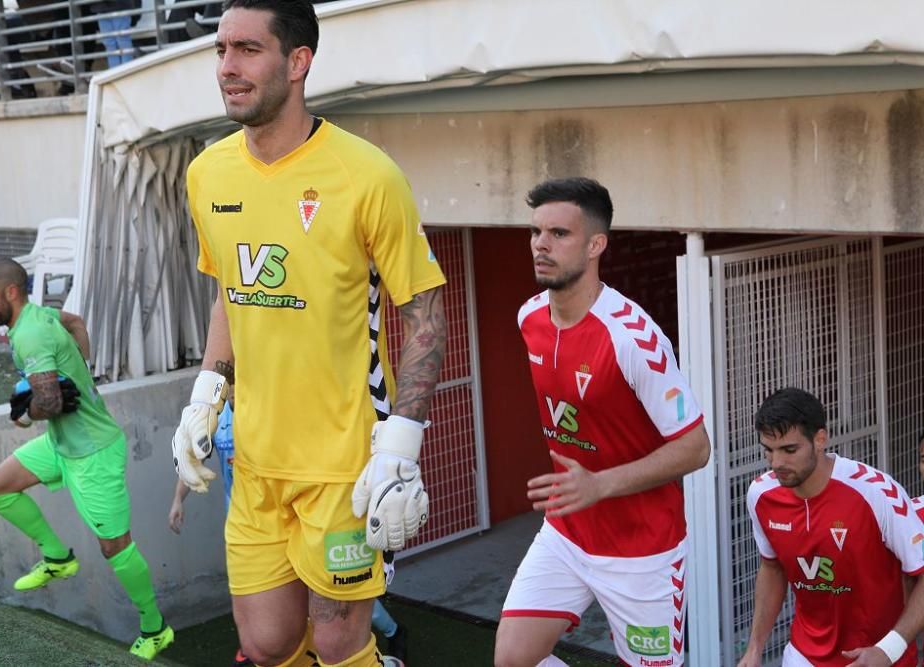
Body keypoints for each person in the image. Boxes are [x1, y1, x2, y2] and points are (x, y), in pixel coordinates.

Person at [171, 2, 447, 666]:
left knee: (337, 640)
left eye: (247, 50)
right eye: (220, 51)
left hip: (343, 469)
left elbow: (428, 313)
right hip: (256, 465)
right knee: (265, 644)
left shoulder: (367, 174)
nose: (227, 68)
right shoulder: (207, 174)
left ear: (298, 62)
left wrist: (400, 446)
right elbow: (229, 294)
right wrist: (204, 398)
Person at [496, 177, 711, 667]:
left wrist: (600, 484)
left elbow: (696, 447)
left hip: (644, 553)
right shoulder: (528, 317)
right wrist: (583, 493)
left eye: (558, 234)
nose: (540, 245)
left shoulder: (633, 337)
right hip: (567, 533)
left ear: (596, 245)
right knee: (512, 659)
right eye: (535, 232)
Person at [0, 258, 174, 661]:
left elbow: (48, 400)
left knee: (115, 547)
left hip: (94, 453)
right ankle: (57, 557)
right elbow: (76, 322)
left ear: (11, 292)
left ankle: (155, 629)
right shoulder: (41, 315)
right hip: (61, 443)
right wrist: (82, 370)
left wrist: (23, 417)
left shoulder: (30, 333)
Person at [167, 386, 408, 666]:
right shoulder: (215, 418)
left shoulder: (277, 404)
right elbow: (195, 456)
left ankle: (393, 632)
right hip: (248, 517)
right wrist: (177, 500)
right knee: (268, 629)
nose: (233, 390)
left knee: (335, 617)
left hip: (311, 508)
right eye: (230, 384)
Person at [738, 387, 924, 667]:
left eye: (789, 450)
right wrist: (755, 648)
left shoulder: (877, 492)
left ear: (820, 439)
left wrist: (889, 649)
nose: (777, 463)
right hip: (804, 655)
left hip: (879, 658)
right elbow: (772, 567)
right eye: (769, 450)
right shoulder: (760, 495)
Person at [90, 0, 135, 68]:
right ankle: (118, 72)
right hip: (104, 8)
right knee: (112, 43)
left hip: (117, 7)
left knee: (119, 42)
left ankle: (125, 71)